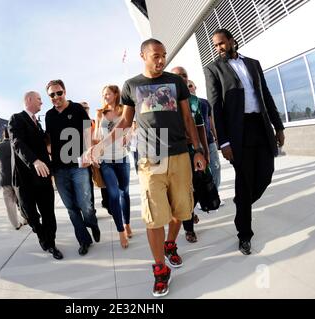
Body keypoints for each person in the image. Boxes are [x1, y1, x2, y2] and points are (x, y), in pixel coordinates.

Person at [85, 39, 206, 297]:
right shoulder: (132, 85)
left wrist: (197, 150)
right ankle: (160, 269)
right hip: (151, 158)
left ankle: (170, 243)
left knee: (180, 210)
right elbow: (126, 122)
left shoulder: (177, 83)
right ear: (143, 56)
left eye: (163, 55)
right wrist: (101, 145)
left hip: (181, 154)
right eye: (155, 56)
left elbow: (187, 118)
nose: (161, 60)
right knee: (154, 215)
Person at [204, 29, 285, 255]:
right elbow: (215, 108)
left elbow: (266, 95)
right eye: (215, 45)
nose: (218, 47)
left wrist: (278, 126)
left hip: (261, 126)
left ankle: (242, 201)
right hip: (238, 134)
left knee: (266, 174)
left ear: (231, 41)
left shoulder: (253, 63)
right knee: (245, 180)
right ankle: (244, 235)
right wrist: (224, 142)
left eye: (221, 43)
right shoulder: (213, 69)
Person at [45, 80, 100, 256]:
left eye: (58, 93)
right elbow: (50, 140)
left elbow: (87, 132)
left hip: (79, 165)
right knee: (71, 208)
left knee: (85, 205)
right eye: (52, 95)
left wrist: (88, 153)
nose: (56, 97)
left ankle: (92, 222)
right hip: (59, 168)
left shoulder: (77, 109)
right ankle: (84, 240)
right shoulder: (48, 115)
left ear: (65, 92)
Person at [9, 91, 63, 260]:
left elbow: (45, 147)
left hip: (43, 177)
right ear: (29, 100)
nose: (42, 102)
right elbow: (17, 143)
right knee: (29, 214)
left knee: (48, 213)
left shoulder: (38, 124)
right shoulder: (16, 119)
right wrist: (34, 161)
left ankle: (52, 244)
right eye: (39, 99)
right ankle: (40, 233)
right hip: (25, 179)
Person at [171, 67, 210, 244]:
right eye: (177, 76)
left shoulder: (195, 101)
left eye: (184, 75)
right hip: (176, 152)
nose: (181, 78)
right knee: (185, 191)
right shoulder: (166, 101)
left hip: (194, 151)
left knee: (197, 187)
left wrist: (204, 151)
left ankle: (190, 211)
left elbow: (200, 128)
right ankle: (189, 229)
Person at [94, 85, 132, 248]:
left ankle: (127, 223)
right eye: (103, 94)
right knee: (114, 195)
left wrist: (129, 135)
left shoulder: (125, 110)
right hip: (106, 161)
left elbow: (130, 127)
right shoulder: (100, 113)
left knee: (125, 192)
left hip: (122, 158)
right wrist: (94, 151)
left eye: (108, 94)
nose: (105, 97)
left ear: (116, 94)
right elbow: (96, 136)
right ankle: (120, 231)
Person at [0, 128, 27, 230]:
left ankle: (16, 224)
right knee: (21, 200)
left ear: (4, 135)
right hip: (17, 177)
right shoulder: (15, 144)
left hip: (5, 179)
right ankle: (25, 219)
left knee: (9, 204)